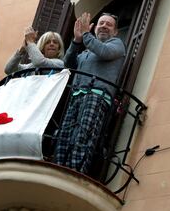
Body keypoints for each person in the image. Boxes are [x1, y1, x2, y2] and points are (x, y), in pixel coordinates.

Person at [54, 12, 126, 174]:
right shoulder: (85, 52)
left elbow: (104, 52)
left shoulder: (117, 44)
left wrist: (86, 34)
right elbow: (68, 65)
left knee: (84, 135)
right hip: (76, 97)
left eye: (109, 24)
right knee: (65, 135)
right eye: (101, 23)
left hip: (97, 96)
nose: (104, 26)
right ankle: (59, 168)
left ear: (115, 32)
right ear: (95, 28)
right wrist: (77, 40)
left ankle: (75, 171)